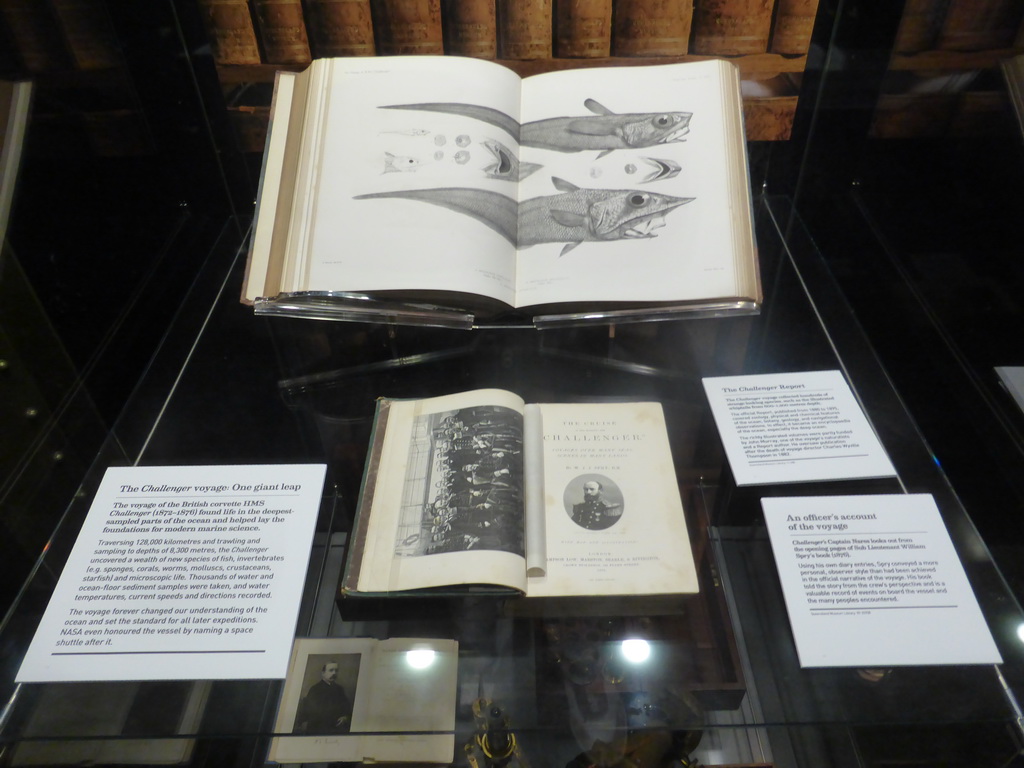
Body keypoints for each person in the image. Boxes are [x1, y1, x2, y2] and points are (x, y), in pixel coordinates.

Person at [294, 661, 352, 734]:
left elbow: (346, 707)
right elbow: (307, 711)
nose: (334, 673)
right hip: (318, 729)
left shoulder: (339, 689)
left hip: (336, 729)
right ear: (323, 673)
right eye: (331, 670)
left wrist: (345, 717)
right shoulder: (315, 689)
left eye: (336, 671)